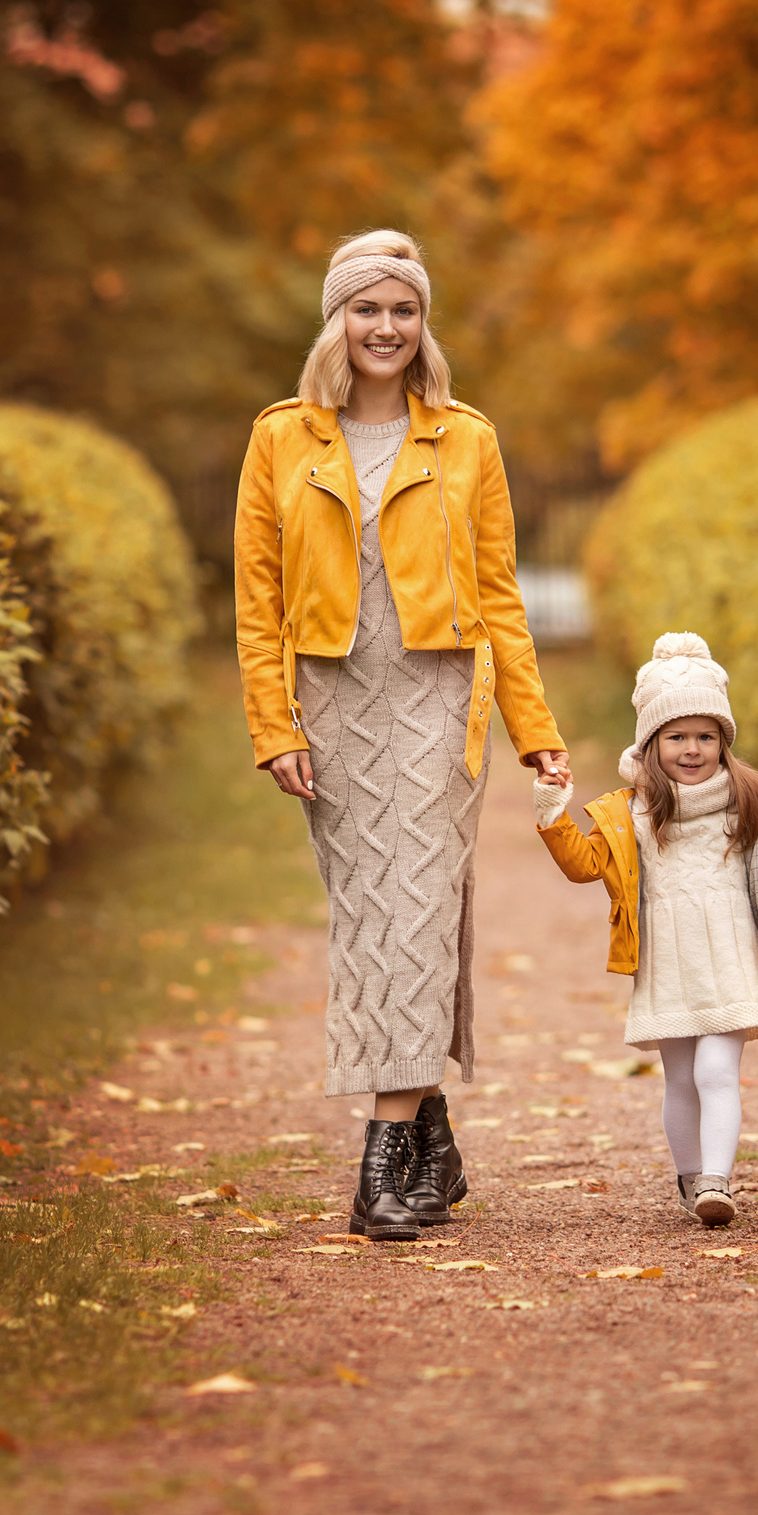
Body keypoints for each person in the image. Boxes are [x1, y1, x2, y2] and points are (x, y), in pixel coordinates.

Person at [234, 230, 570, 1242]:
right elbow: (255, 599)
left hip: (438, 698)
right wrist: (271, 724)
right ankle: (438, 1145)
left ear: (423, 325)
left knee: (414, 906)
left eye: (403, 310)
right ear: (335, 322)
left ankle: (381, 1163)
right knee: (370, 918)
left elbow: (502, 600)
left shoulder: (466, 438)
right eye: (366, 309)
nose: (386, 328)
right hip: (331, 701)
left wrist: (534, 732)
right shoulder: (280, 437)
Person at [533, 633, 758, 1229]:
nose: (692, 748)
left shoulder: (750, 803)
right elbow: (584, 866)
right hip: (668, 959)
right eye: (677, 736)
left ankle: (717, 1181)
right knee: (680, 1078)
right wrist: (552, 813)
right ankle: (690, 1177)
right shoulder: (631, 813)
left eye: (706, 736)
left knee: (715, 1072)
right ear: (652, 743)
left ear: (724, 743)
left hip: (730, 954)